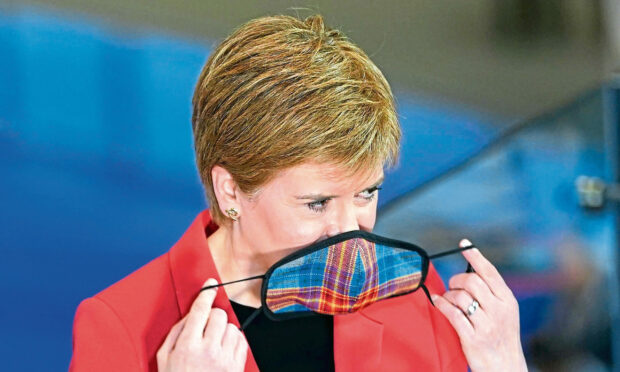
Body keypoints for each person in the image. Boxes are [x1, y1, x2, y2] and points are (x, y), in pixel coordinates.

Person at [70, 14, 527, 372]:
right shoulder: (122, 327)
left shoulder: (409, 290)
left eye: (367, 193)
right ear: (231, 190)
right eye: (317, 203)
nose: (351, 232)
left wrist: (505, 365)